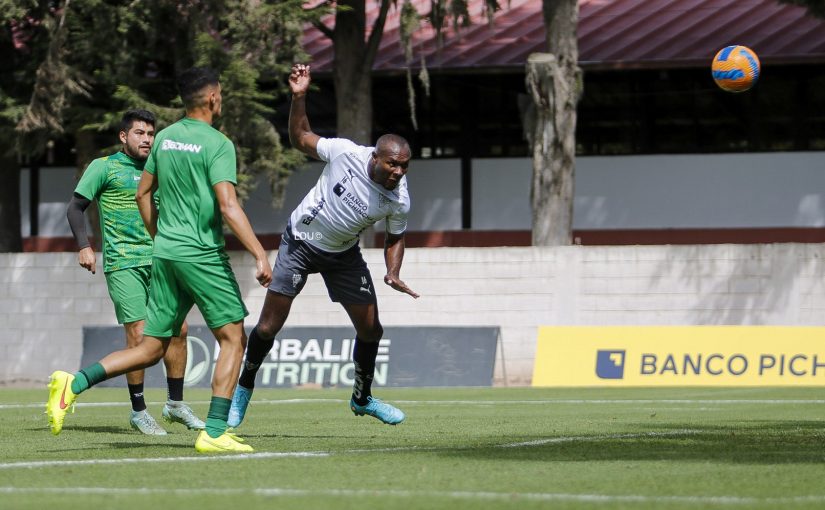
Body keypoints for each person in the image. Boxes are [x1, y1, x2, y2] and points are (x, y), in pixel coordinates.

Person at [47, 67, 272, 453]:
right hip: (201, 254)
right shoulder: (218, 143)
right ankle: (215, 432)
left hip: (164, 254)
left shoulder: (164, 139)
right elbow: (228, 205)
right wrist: (259, 253)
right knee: (233, 336)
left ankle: (74, 383)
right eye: (220, 94)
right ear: (213, 98)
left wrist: (160, 237)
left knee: (152, 346)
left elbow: (142, 195)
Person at [227, 63, 418, 429]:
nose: (398, 172)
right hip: (300, 243)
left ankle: (362, 399)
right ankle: (243, 390)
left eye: (405, 167)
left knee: (371, 330)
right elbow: (301, 138)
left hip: (343, 255)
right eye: (393, 164)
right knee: (267, 328)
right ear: (375, 158)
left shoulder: (399, 200)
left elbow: (396, 236)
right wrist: (299, 96)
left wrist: (393, 272)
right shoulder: (346, 153)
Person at [66, 109, 203, 435]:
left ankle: (175, 405)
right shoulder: (104, 167)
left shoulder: (160, 168)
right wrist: (84, 245)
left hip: (162, 261)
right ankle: (139, 410)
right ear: (123, 136)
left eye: (151, 134)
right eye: (140, 133)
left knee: (179, 330)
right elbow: (75, 207)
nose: (146, 139)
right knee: (140, 337)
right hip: (124, 263)